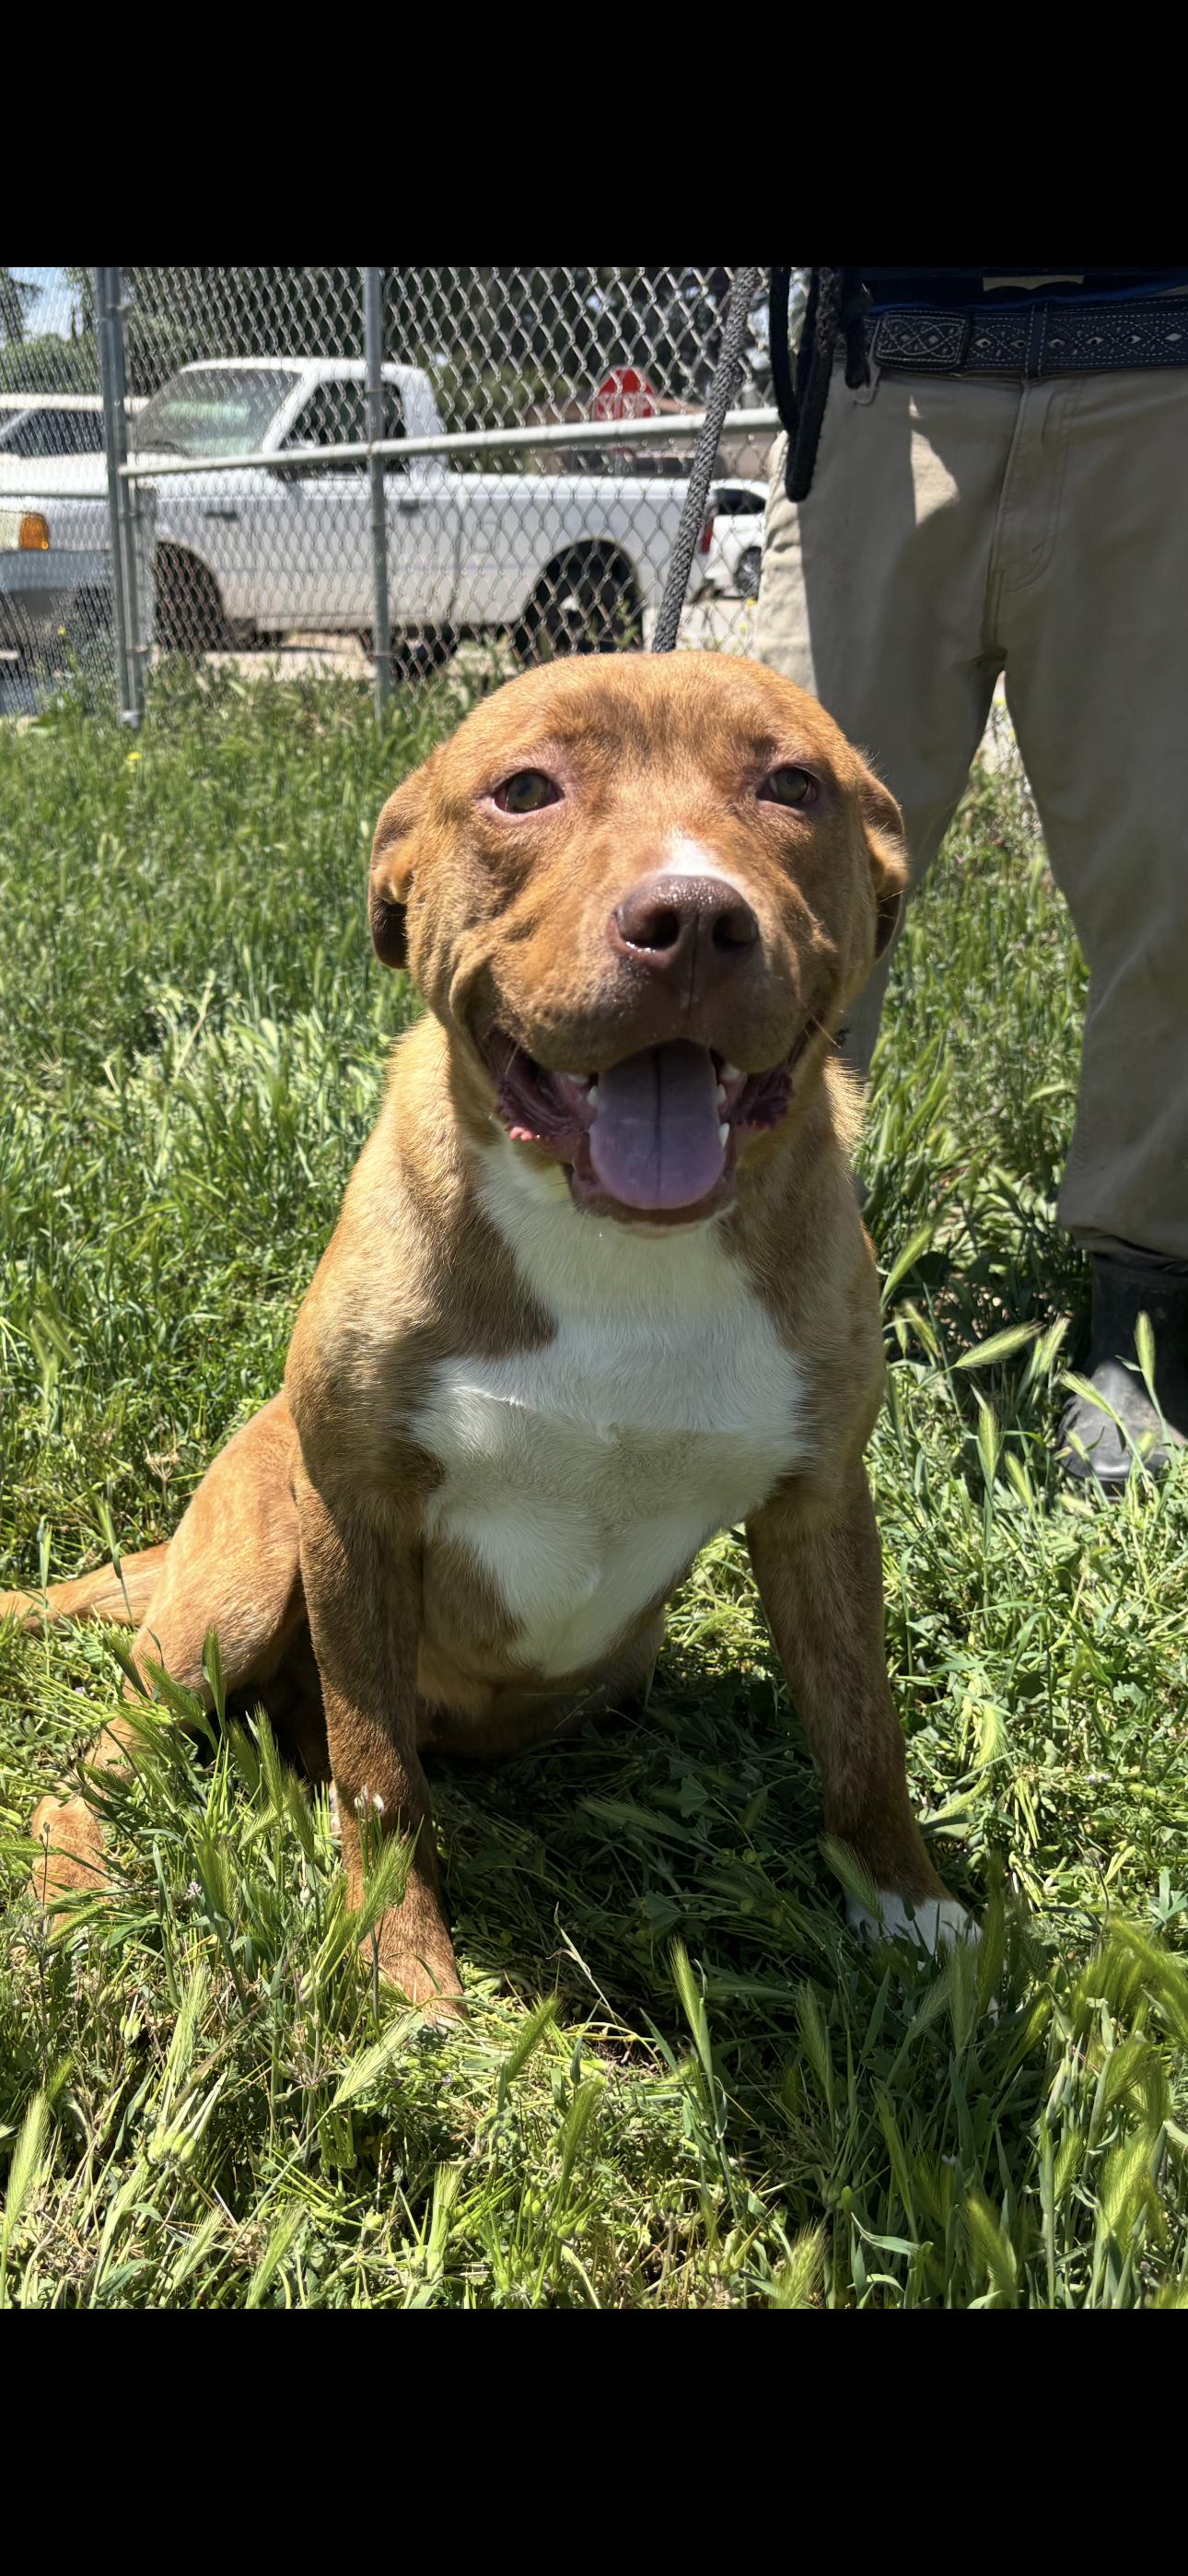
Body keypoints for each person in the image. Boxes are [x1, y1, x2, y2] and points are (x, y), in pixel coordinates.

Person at [754, 265, 1188, 1490]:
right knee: (778, 864)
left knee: (1177, 869)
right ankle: (732, 1257)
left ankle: (1148, 1315)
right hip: (886, 363)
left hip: (1159, 368)